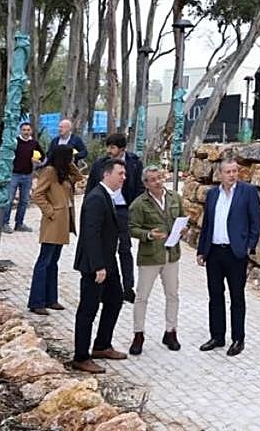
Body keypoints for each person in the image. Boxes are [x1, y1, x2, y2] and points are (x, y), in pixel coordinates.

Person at [195, 152, 260, 356]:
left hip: (235, 253)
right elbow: (207, 224)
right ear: (220, 174)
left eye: (235, 171)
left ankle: (238, 339)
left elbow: (255, 222)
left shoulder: (248, 192)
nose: (232, 175)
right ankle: (217, 336)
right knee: (215, 295)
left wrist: (249, 246)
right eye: (228, 172)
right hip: (214, 252)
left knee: (237, 297)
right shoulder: (213, 194)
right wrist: (201, 250)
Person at [71, 157, 128, 374]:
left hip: (108, 262)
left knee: (115, 300)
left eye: (124, 174)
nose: (124, 177)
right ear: (106, 174)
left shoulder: (108, 196)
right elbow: (91, 234)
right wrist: (98, 266)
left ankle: (102, 345)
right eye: (120, 173)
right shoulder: (96, 198)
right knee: (88, 309)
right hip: (95, 265)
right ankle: (81, 356)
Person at [127, 165, 185, 355]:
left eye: (160, 177)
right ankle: (138, 334)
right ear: (146, 183)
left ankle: (171, 331)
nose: (158, 182)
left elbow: (182, 218)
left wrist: (183, 229)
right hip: (150, 256)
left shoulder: (175, 198)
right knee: (142, 297)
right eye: (153, 179)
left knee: (172, 295)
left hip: (171, 254)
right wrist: (149, 235)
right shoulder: (139, 204)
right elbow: (132, 228)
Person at [86, 133, 143, 302]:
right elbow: (90, 188)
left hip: (124, 210)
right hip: (105, 209)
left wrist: (135, 210)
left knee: (125, 248)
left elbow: (139, 188)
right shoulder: (100, 164)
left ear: (122, 149)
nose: (109, 151)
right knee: (105, 246)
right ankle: (104, 286)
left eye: (113, 147)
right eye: (108, 147)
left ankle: (128, 287)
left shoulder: (134, 163)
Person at [26, 143, 82, 315]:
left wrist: (70, 164)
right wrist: (50, 211)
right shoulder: (50, 171)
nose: (72, 160)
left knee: (53, 262)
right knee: (44, 261)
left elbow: (78, 176)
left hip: (63, 222)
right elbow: (37, 194)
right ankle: (37, 301)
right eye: (69, 157)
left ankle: (51, 298)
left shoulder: (62, 172)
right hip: (53, 222)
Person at [0, 122, 43, 232]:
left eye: (28, 130)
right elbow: (4, 154)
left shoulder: (34, 143)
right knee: (9, 200)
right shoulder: (14, 142)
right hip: (14, 175)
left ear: (31, 131)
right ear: (20, 131)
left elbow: (43, 156)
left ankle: (19, 224)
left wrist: (38, 162)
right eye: (24, 130)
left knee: (24, 201)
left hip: (27, 176)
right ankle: (4, 224)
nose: (26, 132)